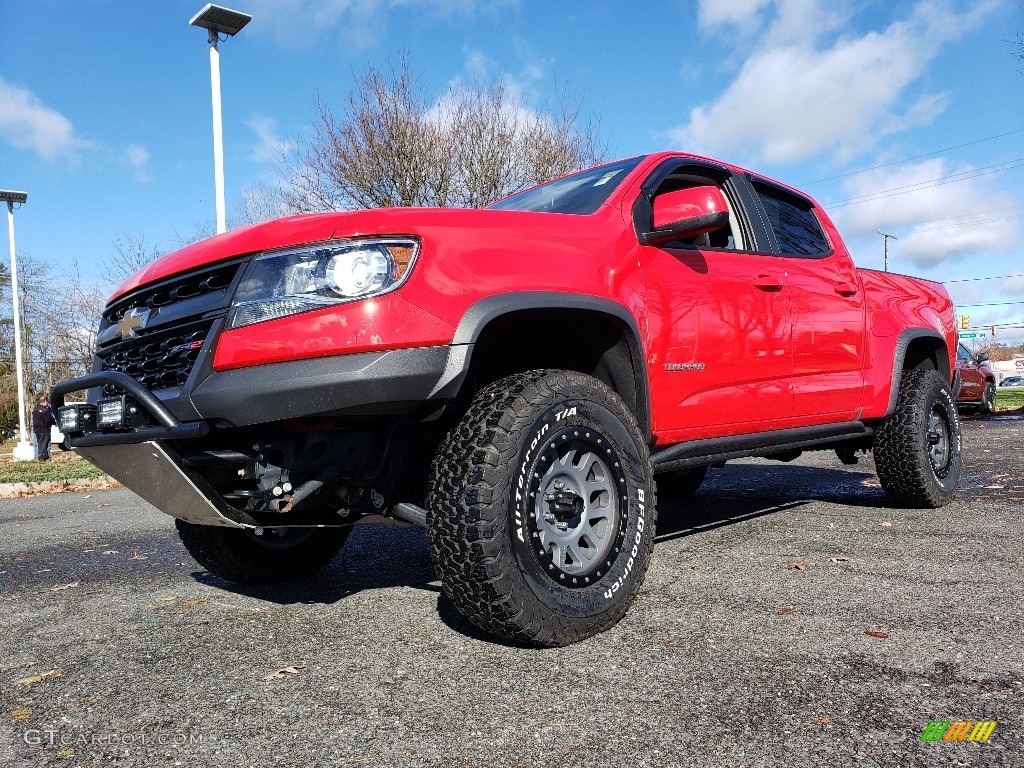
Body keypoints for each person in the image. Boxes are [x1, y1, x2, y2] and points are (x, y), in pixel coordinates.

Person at [31, 396, 55, 461]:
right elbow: (48, 420)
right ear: (45, 401)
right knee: (45, 444)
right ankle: (45, 458)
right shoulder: (45, 411)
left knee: (37, 444)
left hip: (36, 428)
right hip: (44, 429)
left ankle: (37, 458)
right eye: (48, 402)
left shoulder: (35, 409)